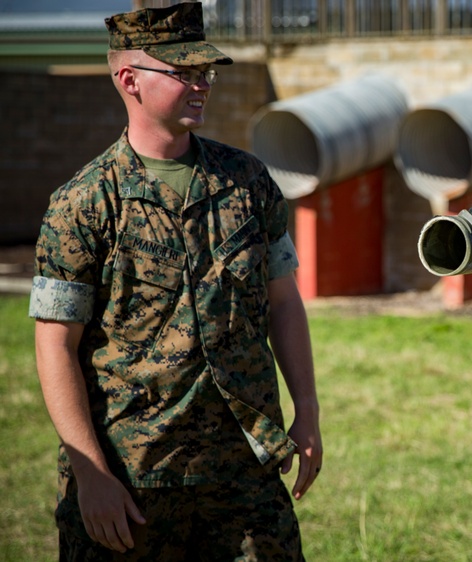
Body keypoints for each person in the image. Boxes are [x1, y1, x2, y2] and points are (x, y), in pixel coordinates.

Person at [28, 2, 322, 559]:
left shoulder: (248, 182)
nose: (201, 84)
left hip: (243, 473)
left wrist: (306, 410)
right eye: (182, 72)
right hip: (133, 480)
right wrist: (91, 475)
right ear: (129, 79)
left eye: (204, 72)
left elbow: (284, 302)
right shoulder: (84, 203)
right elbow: (55, 344)